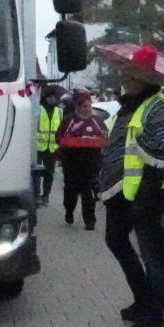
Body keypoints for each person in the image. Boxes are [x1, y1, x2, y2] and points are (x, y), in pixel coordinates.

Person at [96, 45, 164, 327]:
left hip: (148, 193)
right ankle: (143, 300)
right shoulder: (129, 105)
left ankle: (155, 318)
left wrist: (146, 197)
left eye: (131, 74)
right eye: (126, 73)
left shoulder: (160, 108)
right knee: (115, 240)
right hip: (120, 191)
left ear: (147, 80)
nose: (124, 78)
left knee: (152, 255)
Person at [55, 89, 106, 230]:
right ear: (77, 107)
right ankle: (69, 211)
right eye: (84, 107)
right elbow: (59, 137)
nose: (87, 110)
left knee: (87, 192)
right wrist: (69, 143)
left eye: (89, 107)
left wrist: (100, 144)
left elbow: (105, 137)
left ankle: (90, 222)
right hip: (71, 163)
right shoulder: (69, 121)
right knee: (71, 191)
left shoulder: (97, 121)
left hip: (91, 163)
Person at [35, 89, 62, 206]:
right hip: (38, 147)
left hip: (52, 148)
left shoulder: (59, 111)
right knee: (36, 174)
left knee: (49, 174)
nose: (52, 99)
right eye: (49, 97)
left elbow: (61, 130)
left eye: (54, 97)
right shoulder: (38, 110)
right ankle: (36, 196)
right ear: (45, 98)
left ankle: (45, 196)